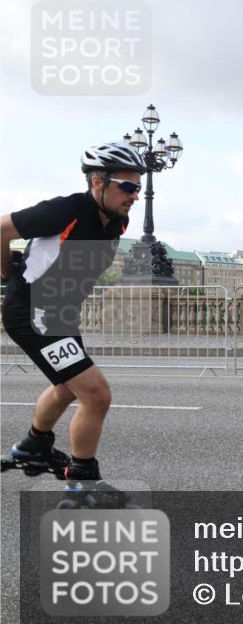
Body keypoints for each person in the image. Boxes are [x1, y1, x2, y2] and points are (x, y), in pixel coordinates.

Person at [0, 143, 146, 507]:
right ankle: (82, 483)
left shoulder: (117, 221)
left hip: (58, 315)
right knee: (96, 394)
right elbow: (1, 229)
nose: (134, 196)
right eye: (127, 187)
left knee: (68, 388)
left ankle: (33, 446)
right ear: (97, 181)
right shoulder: (64, 210)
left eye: (138, 189)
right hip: (34, 314)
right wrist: (9, 275)